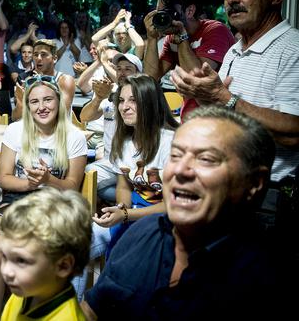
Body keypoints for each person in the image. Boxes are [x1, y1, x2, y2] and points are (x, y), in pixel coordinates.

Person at [82, 106, 288, 320]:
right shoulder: (143, 232)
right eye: (175, 156)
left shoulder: (264, 279)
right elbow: (91, 309)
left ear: (254, 183)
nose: (180, 170)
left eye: (206, 159)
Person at [0, 74, 88, 321]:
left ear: (58, 100)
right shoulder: (15, 130)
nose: (41, 107)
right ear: (27, 105)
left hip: (53, 205)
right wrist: (29, 183)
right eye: (34, 102)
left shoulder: (74, 136)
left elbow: (73, 187)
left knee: (17, 237)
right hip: (17, 200)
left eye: (47, 100)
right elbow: (4, 179)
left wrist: (47, 181)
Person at [169, 0, 299, 220]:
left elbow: (294, 132)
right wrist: (201, 95)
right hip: (226, 188)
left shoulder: (292, 48)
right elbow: (225, 112)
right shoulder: (235, 51)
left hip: (267, 198)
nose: (232, 0)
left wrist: (223, 98)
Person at [91, 74, 179, 255]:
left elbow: (172, 205)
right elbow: (123, 186)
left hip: (166, 223)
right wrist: (121, 208)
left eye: (133, 100)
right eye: (121, 101)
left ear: (150, 104)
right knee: (72, 246)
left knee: (128, 255)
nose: (124, 107)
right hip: (134, 214)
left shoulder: (171, 143)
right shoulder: (124, 142)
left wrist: (125, 216)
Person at [143, 0, 235, 118]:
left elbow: (197, 77)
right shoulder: (172, 37)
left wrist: (182, 37)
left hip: (218, 116)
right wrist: (151, 38)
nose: (163, 17)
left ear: (190, 11)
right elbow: (150, 77)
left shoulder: (215, 30)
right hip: (190, 117)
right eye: (159, 12)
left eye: (167, 12)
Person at [0, 188, 91, 321]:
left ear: (63, 266)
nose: (6, 271)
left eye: (21, 260)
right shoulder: (25, 293)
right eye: (4, 256)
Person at [80, 52, 142, 200]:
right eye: (119, 68)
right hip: (110, 161)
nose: (122, 73)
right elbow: (84, 117)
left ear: (138, 73)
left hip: (134, 162)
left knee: (87, 182)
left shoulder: (143, 96)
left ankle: (134, 200)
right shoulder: (110, 93)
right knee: (85, 175)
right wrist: (99, 98)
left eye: (128, 69)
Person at [12, 39, 76, 122]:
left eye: (43, 54)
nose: (38, 58)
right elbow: (15, 117)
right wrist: (21, 103)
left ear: (55, 58)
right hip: (32, 131)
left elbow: (61, 115)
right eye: (35, 54)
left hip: (57, 132)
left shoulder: (64, 80)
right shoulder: (27, 81)